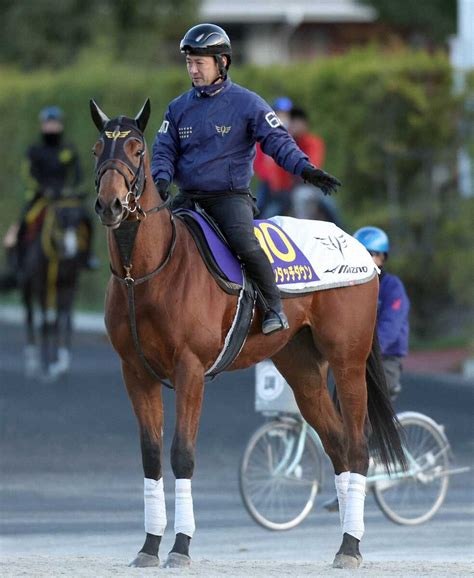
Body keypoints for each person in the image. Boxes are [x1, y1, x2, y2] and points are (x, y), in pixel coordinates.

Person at [151, 23, 341, 335]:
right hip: (187, 197)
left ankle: (274, 307)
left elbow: (278, 142)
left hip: (229, 198)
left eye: (200, 63)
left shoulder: (248, 103)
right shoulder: (177, 108)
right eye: (189, 63)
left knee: (245, 244)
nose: (193, 70)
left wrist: (306, 169)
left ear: (222, 62)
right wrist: (160, 179)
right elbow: (163, 150)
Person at [323, 225, 410, 512]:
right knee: (339, 414)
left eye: (372, 254)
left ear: (382, 258)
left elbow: (389, 328)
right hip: (353, 361)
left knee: (362, 417)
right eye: (361, 253)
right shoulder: (349, 286)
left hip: (384, 361)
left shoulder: (392, 288)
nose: (368, 259)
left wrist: (361, 351)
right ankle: (348, 481)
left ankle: (360, 470)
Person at [0, 106, 97, 290]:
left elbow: (77, 175)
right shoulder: (34, 150)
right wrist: (42, 189)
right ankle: (18, 263)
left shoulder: (68, 149)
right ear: (43, 126)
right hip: (40, 198)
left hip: (65, 198)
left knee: (86, 219)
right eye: (48, 124)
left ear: (60, 125)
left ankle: (88, 256)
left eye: (54, 123)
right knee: (24, 222)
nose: (51, 127)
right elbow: (27, 174)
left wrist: (71, 189)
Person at [288, 106, 341, 226]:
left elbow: (314, 163)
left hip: (311, 185)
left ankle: (343, 231)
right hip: (286, 189)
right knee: (269, 210)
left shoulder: (314, 142)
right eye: (292, 123)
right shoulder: (284, 144)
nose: (294, 126)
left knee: (330, 206)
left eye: (297, 123)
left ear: (305, 124)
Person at [253, 97, 295, 217]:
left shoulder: (297, 137)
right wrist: (271, 177)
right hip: (270, 185)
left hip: (292, 184)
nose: (283, 117)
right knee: (260, 208)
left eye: (286, 114)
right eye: (279, 114)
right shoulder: (264, 137)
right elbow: (259, 163)